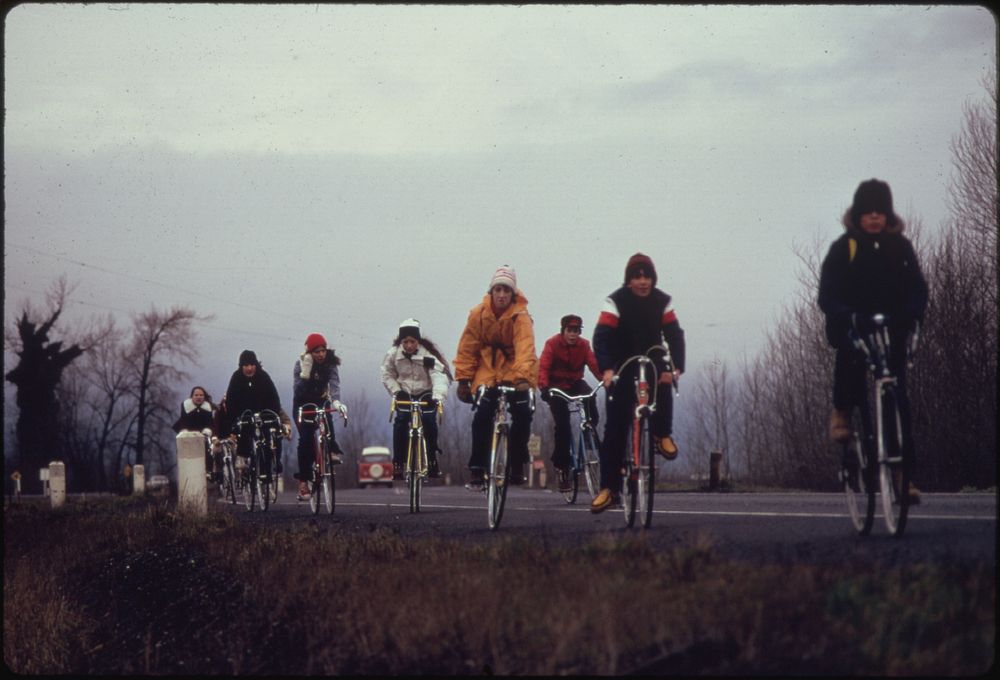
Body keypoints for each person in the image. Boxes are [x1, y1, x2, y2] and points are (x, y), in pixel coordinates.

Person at [818, 178, 928, 503]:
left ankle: (902, 476)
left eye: (881, 211)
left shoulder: (900, 247)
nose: (875, 218)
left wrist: (913, 312)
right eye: (868, 212)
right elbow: (827, 293)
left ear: (888, 214)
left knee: (898, 399)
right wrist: (845, 313)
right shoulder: (844, 247)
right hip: (853, 323)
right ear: (859, 215)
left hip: (891, 326)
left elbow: (918, 286)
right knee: (850, 362)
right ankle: (842, 410)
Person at [590, 253, 686, 513]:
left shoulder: (662, 301)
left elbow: (674, 334)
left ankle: (661, 434)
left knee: (663, 378)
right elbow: (601, 338)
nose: (643, 282)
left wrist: (677, 366)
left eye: (647, 277)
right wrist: (607, 370)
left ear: (653, 279)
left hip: (652, 353)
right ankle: (608, 489)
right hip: (622, 358)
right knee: (615, 424)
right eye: (637, 277)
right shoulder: (616, 301)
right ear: (629, 280)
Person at [454, 265, 539, 490]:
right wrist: (463, 379)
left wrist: (522, 378)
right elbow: (467, 347)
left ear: (513, 294)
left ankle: (517, 464)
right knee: (482, 413)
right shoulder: (478, 314)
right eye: (498, 290)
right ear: (491, 291)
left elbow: (525, 348)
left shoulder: (521, 317)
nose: (502, 295)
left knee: (522, 413)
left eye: (507, 291)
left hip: (514, 369)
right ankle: (477, 467)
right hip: (487, 369)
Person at [380, 318, 452, 479]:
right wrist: (396, 391)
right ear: (401, 341)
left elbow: (439, 375)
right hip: (404, 392)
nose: (409, 345)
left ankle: (432, 458)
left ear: (418, 341)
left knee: (428, 421)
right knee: (401, 420)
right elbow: (387, 375)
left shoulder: (428, 355)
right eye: (405, 342)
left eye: (412, 341)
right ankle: (398, 461)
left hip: (426, 392)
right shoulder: (393, 354)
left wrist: (437, 396)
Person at [538, 314, 602, 493]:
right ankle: (562, 469)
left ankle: (590, 433)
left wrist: (606, 379)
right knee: (563, 426)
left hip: (575, 383)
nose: (573, 334)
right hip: (556, 387)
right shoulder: (552, 344)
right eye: (570, 330)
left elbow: (594, 365)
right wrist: (544, 387)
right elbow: (543, 367)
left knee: (591, 396)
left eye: (576, 331)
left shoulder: (584, 345)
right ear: (563, 331)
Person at [221, 349, 292, 482]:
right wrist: (234, 421)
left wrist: (273, 414)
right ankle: (243, 457)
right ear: (241, 366)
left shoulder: (263, 376)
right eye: (246, 365)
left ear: (256, 365)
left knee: (267, 437)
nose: (249, 368)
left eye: (252, 365)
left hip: (264, 412)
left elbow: (274, 397)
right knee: (245, 431)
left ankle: (267, 470)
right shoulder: (236, 378)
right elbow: (231, 401)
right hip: (244, 413)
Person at [292, 333, 348, 501]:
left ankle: (331, 450)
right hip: (303, 404)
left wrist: (337, 402)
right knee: (306, 439)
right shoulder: (300, 364)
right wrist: (305, 374)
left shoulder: (330, 364)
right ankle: (304, 481)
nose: (321, 355)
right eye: (316, 352)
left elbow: (334, 383)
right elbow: (298, 390)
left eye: (323, 351)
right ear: (310, 353)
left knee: (328, 419)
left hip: (321, 401)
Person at [172, 386, 218, 481]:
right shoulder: (186, 406)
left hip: (203, 434)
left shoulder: (208, 408)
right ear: (192, 397)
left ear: (204, 397)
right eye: (196, 395)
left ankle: (209, 471)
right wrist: (185, 432)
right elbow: (184, 422)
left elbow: (210, 423)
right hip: (188, 433)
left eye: (201, 395)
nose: (199, 397)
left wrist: (207, 432)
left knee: (208, 449)